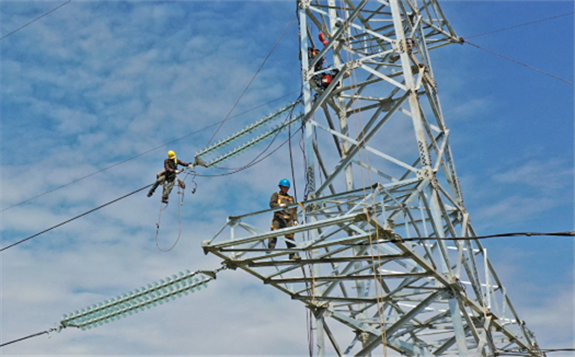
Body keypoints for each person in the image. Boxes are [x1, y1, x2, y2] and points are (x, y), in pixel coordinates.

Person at [269, 178, 300, 260]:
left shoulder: (290, 198)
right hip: (279, 217)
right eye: (284, 187)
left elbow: (294, 210)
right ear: (281, 187)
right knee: (274, 232)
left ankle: (292, 254)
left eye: (287, 188)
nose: (286, 189)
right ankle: (270, 250)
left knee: (290, 237)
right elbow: (272, 204)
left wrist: (295, 220)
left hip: (288, 219)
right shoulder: (276, 195)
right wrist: (279, 206)